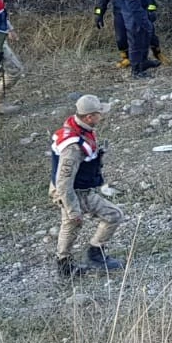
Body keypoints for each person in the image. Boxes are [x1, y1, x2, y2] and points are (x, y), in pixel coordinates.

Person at [49, 94, 125, 277]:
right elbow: (64, 181)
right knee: (74, 223)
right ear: (89, 117)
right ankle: (71, 263)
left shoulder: (80, 129)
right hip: (73, 192)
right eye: (99, 113)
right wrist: (72, 208)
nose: (102, 116)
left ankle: (80, 258)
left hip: (80, 189)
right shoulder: (73, 148)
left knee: (107, 216)